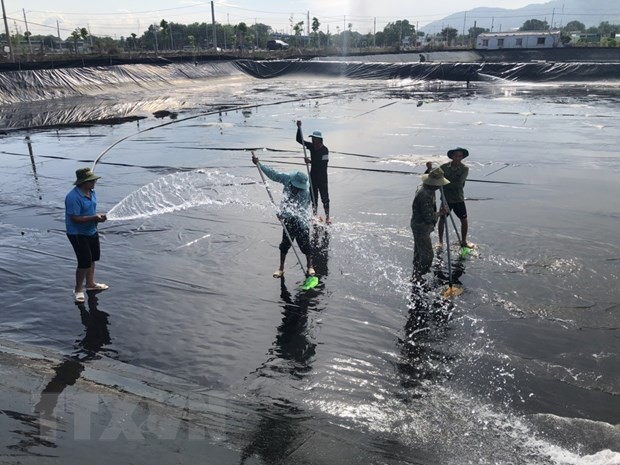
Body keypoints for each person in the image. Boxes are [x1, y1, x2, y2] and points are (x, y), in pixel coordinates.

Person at [252, 153, 315, 279]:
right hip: (288, 219)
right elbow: (273, 174)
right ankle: (281, 268)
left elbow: (301, 210)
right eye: (295, 187)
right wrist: (259, 164)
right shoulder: (287, 178)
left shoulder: (305, 193)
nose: (295, 190)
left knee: (305, 246)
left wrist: (285, 214)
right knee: (285, 244)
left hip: (301, 220)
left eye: (298, 188)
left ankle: (310, 266)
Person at [65, 167, 108, 303]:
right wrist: (94, 218)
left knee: (92, 258)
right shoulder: (73, 197)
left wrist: (97, 219)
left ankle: (90, 284)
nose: (94, 181)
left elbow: (90, 211)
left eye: (94, 179)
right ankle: (78, 289)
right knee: (84, 262)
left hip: (91, 231)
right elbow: (74, 218)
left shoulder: (91, 191)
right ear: (82, 182)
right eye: (91, 180)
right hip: (77, 233)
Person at [410, 168, 449, 281]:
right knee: (427, 255)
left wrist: (428, 168)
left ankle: (416, 273)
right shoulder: (425, 195)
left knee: (419, 251)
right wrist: (441, 213)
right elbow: (428, 217)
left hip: (417, 224)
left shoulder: (423, 186)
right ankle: (419, 275)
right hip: (421, 227)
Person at [296, 120, 330, 224]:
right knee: (313, 197)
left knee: (325, 197)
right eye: (312, 139)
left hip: (322, 177)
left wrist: (310, 161)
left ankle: (327, 217)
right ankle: (315, 215)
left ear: (319, 140)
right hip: (313, 177)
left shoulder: (325, 150)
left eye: (314, 139)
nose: (313, 141)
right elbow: (299, 140)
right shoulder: (311, 146)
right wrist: (299, 127)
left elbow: (323, 164)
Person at [438, 147, 472, 248]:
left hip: (458, 198)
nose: (457, 158)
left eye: (460, 156)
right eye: (456, 156)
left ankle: (464, 241)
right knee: (442, 219)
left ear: (462, 157)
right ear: (452, 156)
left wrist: (444, 183)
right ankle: (440, 241)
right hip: (446, 198)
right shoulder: (443, 167)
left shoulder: (465, 169)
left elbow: (459, 184)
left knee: (464, 220)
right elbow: (436, 177)